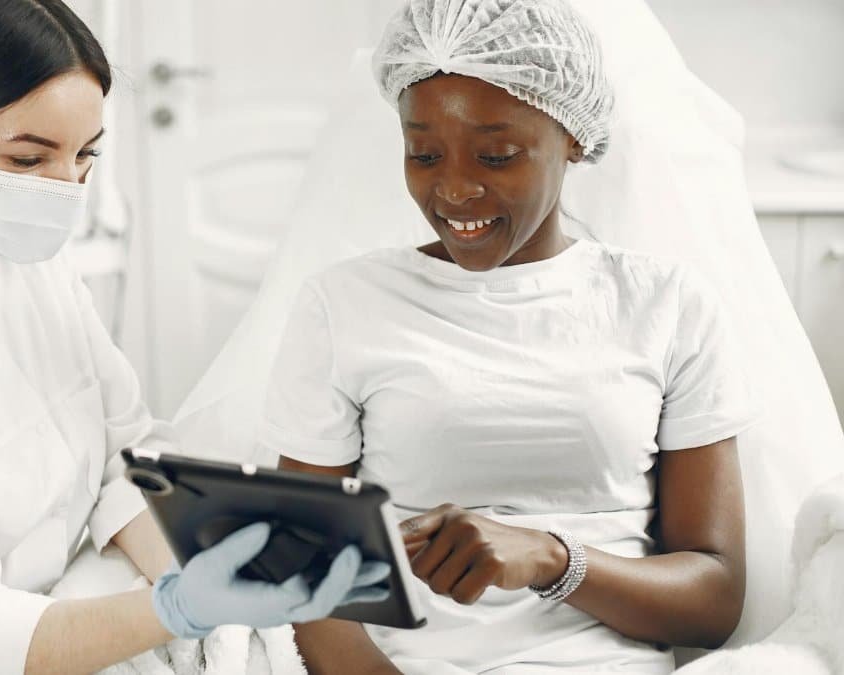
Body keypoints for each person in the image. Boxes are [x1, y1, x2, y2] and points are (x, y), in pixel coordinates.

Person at [0, 2, 388, 674]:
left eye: (85, 156)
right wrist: (175, 608)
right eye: (29, 158)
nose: (65, 190)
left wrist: (218, 579)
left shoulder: (37, 274)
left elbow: (128, 456)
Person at [251, 0, 758, 672]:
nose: (454, 189)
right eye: (424, 153)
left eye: (496, 154)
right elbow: (305, 572)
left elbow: (714, 601)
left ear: (574, 137)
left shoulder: (666, 306)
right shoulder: (344, 304)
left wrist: (553, 557)